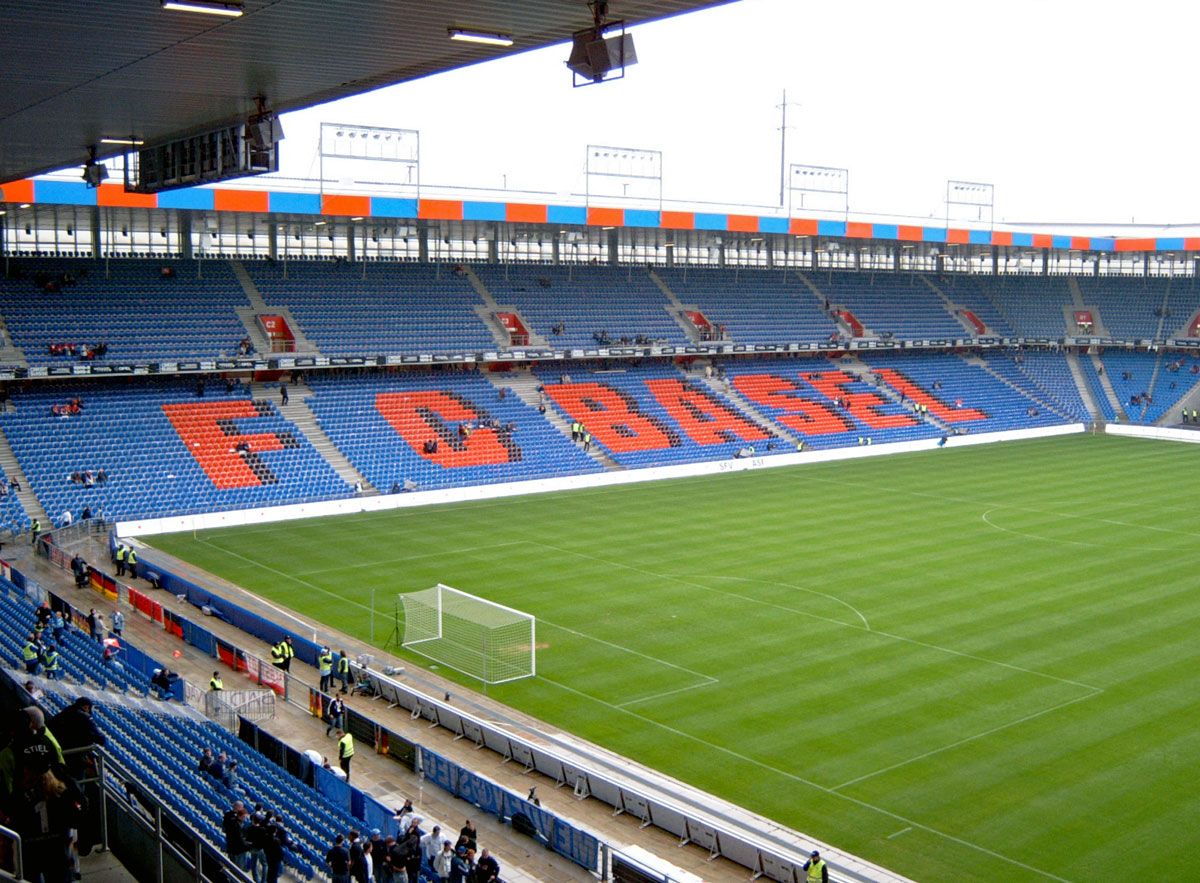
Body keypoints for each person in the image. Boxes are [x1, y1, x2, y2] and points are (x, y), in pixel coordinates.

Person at [223, 801, 250, 871]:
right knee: (238, 869)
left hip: (231, 846)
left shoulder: (228, 815)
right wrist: (247, 846)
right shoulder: (235, 822)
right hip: (238, 849)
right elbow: (238, 837)